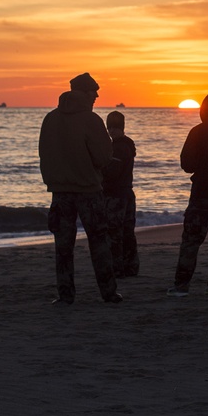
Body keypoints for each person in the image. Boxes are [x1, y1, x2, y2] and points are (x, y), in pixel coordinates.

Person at [38, 73, 122, 305]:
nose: (96, 96)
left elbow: (44, 154)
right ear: (84, 93)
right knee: (99, 242)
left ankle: (65, 295)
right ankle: (108, 293)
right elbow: (104, 156)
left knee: (63, 246)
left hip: (60, 192)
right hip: (88, 191)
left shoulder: (50, 119)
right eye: (94, 92)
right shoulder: (91, 120)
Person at [167, 94, 208, 296]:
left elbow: (187, 164)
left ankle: (181, 285)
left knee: (191, 242)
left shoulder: (197, 132)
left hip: (202, 194)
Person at [102, 110, 139, 279]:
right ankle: (130, 267)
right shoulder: (127, 145)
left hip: (116, 195)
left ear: (121, 128)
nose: (112, 130)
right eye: (110, 127)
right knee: (127, 232)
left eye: (115, 127)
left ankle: (117, 268)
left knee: (115, 233)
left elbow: (112, 173)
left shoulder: (118, 147)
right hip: (126, 193)